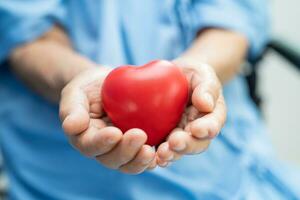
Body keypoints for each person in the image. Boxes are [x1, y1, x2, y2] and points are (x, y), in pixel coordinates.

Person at [0, 0, 299, 199]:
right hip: (62, 181)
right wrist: (80, 78)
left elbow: (231, 27)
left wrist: (196, 76)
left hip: (226, 172)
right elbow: (27, 38)